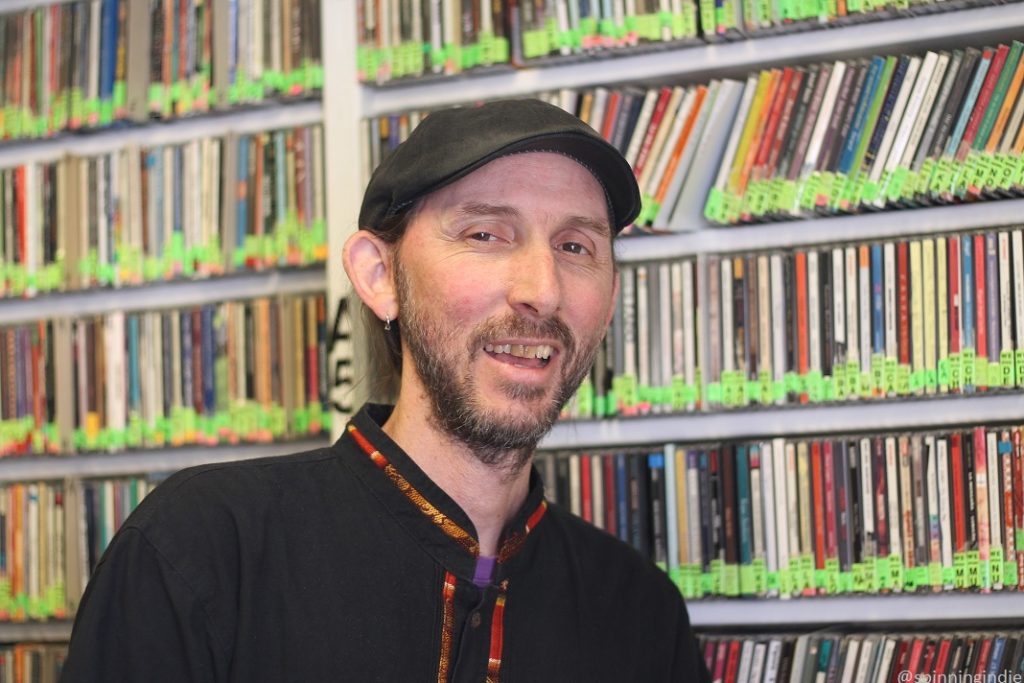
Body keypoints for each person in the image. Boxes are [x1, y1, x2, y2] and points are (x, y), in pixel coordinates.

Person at [61, 98, 710, 682]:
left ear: (611, 296)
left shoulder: (639, 611)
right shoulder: (204, 548)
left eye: (576, 245)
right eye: (486, 233)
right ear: (381, 276)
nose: (542, 287)